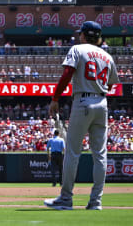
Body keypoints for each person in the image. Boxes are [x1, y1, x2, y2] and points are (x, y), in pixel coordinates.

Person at [44, 21, 119, 211]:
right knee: (100, 156)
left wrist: (55, 98)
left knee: (72, 152)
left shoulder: (78, 49)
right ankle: (96, 201)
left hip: (83, 101)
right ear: (99, 37)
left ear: (84, 35)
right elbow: (111, 86)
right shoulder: (107, 56)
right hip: (102, 103)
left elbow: (67, 73)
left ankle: (66, 198)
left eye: (81, 33)